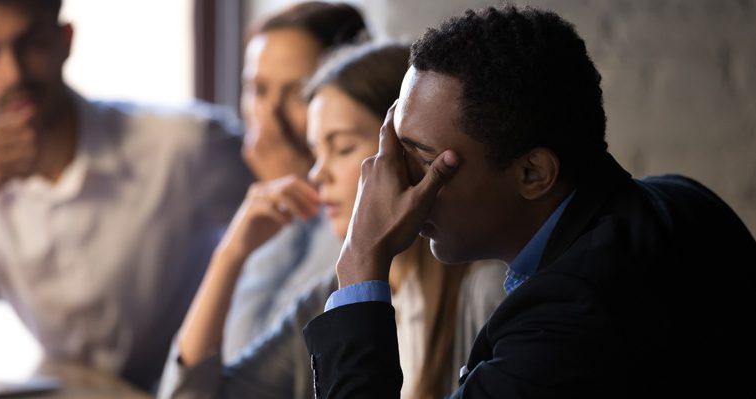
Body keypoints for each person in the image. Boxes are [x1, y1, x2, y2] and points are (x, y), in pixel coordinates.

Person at [302, 6, 756, 399]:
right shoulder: (680, 197)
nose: (396, 184)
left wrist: (361, 261)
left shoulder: (570, 326)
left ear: (533, 174)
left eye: (423, 161)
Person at [0, 0, 250, 389]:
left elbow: (293, 242)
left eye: (31, 43)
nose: (13, 73)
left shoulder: (184, 146)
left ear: (65, 40)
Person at [158, 43, 506, 399]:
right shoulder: (327, 300)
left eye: (341, 148)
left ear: (409, 153)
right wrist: (230, 255)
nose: (317, 174)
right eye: (315, 153)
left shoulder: (486, 293)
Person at [176, 1, 367, 365]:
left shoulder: (348, 230)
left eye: (297, 93)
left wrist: (287, 206)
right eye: (258, 89)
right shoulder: (239, 186)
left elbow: (241, 358)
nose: (268, 117)